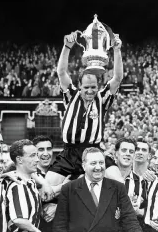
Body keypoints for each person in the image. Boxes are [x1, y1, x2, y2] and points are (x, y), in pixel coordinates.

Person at [45, 30, 125, 190]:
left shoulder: (102, 99)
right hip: (69, 153)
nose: (90, 91)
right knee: (47, 188)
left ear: (98, 86)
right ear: (80, 86)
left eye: (93, 87)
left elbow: (117, 77)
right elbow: (61, 72)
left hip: (94, 151)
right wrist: (67, 47)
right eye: (86, 87)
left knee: (119, 184)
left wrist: (117, 50)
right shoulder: (71, 95)